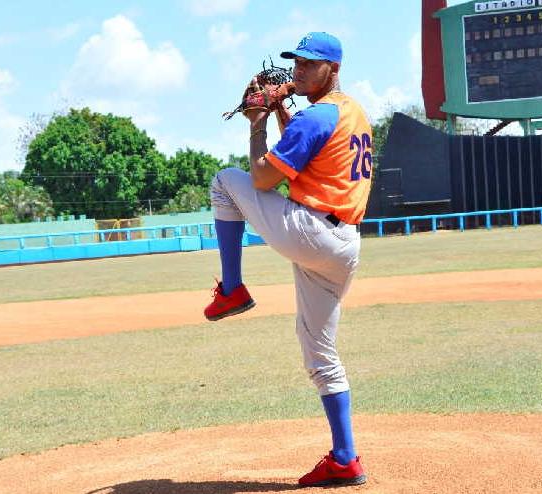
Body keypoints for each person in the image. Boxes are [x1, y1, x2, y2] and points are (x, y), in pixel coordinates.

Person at [204, 32, 373, 487]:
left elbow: (262, 179)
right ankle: (345, 458)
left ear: (332, 69)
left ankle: (233, 288)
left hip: (312, 231)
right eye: (295, 62)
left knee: (226, 181)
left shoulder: (317, 117)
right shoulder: (350, 111)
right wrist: (280, 111)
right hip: (344, 245)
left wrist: (256, 122)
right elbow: (300, 154)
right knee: (319, 352)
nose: (298, 70)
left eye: (309, 64)